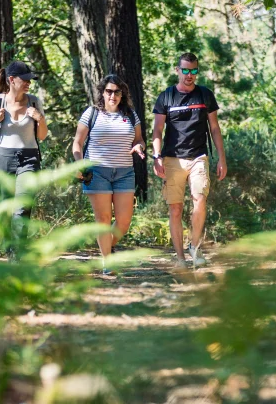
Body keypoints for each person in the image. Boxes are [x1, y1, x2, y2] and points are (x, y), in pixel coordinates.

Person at [152, 52, 227, 268]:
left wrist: (221, 158)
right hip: (172, 159)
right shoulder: (166, 96)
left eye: (193, 71)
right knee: (175, 209)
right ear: (177, 70)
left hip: (198, 157)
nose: (189, 75)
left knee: (199, 199)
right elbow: (157, 130)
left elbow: (214, 128)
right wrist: (157, 157)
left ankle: (194, 247)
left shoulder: (205, 95)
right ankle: (180, 258)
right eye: (185, 70)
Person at [72, 75, 146, 274]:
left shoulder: (131, 115)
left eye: (117, 92)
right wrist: (79, 165)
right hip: (97, 172)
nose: (113, 95)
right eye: (109, 91)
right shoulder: (92, 113)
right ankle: (107, 262)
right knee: (103, 219)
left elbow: (139, 140)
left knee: (124, 221)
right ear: (102, 93)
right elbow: (77, 143)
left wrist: (139, 147)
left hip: (124, 172)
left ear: (122, 94)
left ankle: (107, 247)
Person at [0, 60, 48, 243]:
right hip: (3, 158)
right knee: (4, 207)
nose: (29, 83)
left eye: (30, 80)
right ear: (11, 80)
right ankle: (7, 246)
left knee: (22, 206)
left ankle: (17, 253)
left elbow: (42, 136)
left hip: (29, 159)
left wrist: (40, 119)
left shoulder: (34, 102)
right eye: (25, 79)